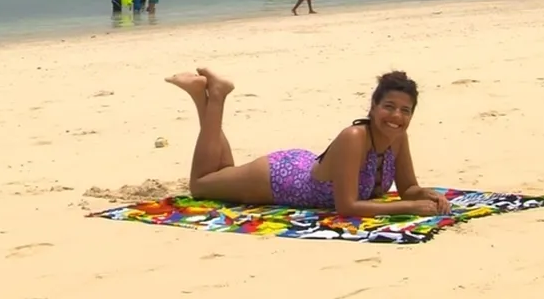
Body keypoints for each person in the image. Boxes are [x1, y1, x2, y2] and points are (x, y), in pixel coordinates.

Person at [164, 67, 451, 217]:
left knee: (222, 171)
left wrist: (427, 196)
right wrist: (408, 208)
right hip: (281, 180)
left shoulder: (398, 138)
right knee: (202, 184)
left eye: (405, 110)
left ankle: (207, 94)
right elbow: (347, 206)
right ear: (373, 106)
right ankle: (214, 95)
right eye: (389, 106)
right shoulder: (355, 137)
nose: (396, 116)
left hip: (303, 167)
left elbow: (408, 188)